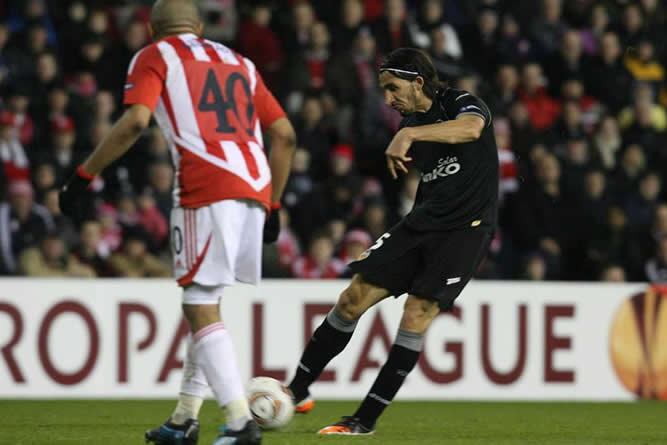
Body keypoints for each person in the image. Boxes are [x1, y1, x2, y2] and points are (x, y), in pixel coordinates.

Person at [58, 1, 296, 444]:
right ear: (201, 27)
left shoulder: (155, 55)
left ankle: (241, 423)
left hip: (205, 186)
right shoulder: (239, 61)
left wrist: (84, 175)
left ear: (152, 29)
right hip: (256, 185)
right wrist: (276, 205)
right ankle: (184, 419)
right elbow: (284, 134)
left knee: (199, 306)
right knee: (206, 303)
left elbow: (135, 122)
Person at [286, 47, 499, 435]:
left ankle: (363, 421)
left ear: (419, 82)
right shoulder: (415, 122)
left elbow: (472, 129)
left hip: (466, 229)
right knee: (352, 298)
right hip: (421, 222)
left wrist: (409, 133)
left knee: (417, 312)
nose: (388, 99)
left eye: (393, 88)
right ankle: (294, 392)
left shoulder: (460, 102)